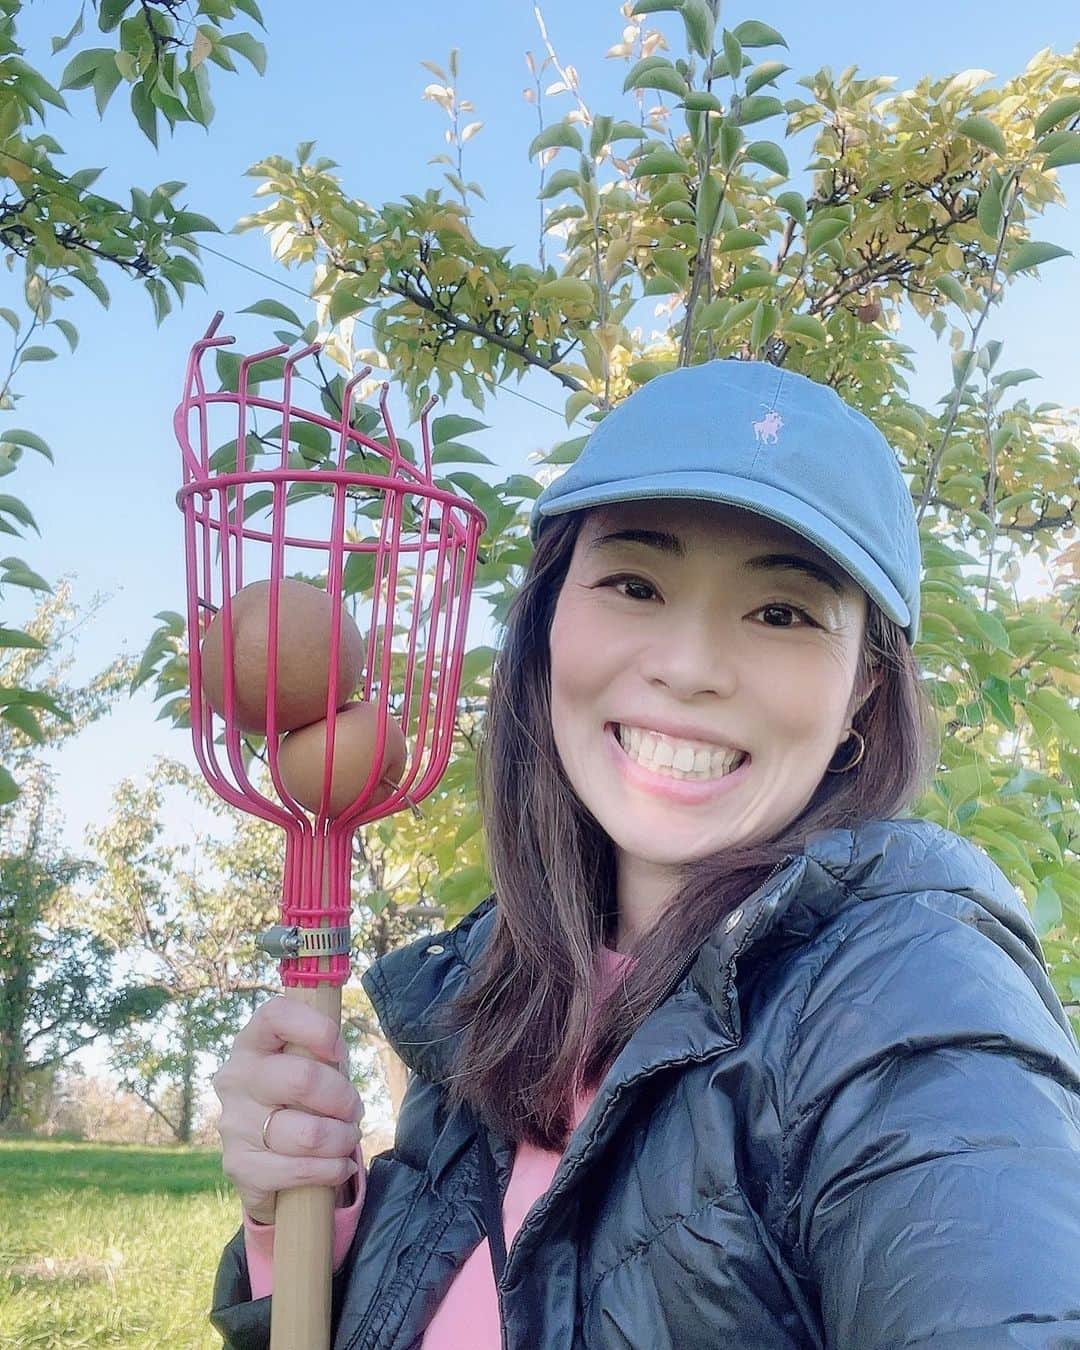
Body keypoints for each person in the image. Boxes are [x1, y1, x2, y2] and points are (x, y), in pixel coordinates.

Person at [209, 360, 1080, 1349]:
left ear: (865, 693)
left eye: (783, 612)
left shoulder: (910, 993)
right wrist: (297, 1232)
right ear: (546, 623)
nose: (690, 666)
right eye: (634, 582)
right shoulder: (492, 991)